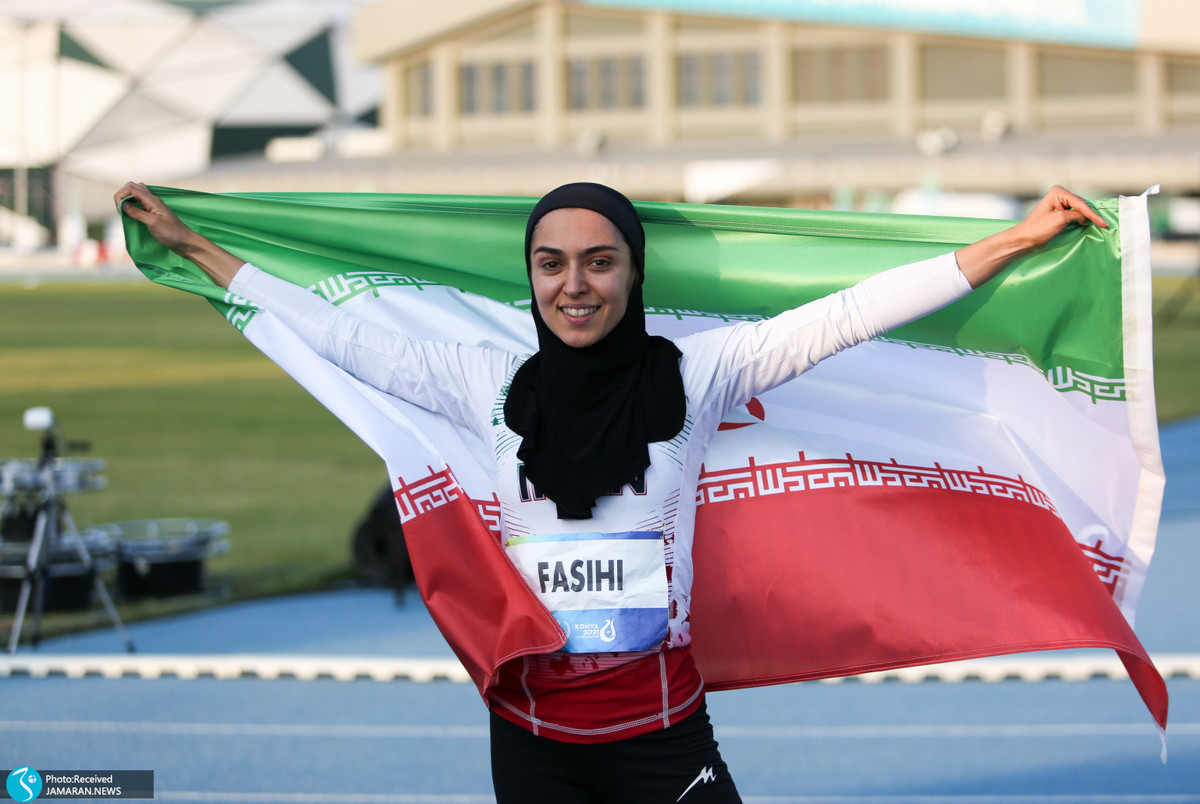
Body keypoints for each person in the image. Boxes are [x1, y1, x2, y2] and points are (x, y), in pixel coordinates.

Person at [115, 179, 1108, 803]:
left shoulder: (701, 372)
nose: (574, 284)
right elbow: (341, 337)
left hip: (659, 730)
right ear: (532, 276)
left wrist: (1011, 242)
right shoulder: (484, 383)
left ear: (631, 272)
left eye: (599, 262)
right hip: (531, 740)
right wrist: (199, 249)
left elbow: (849, 315)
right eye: (551, 265)